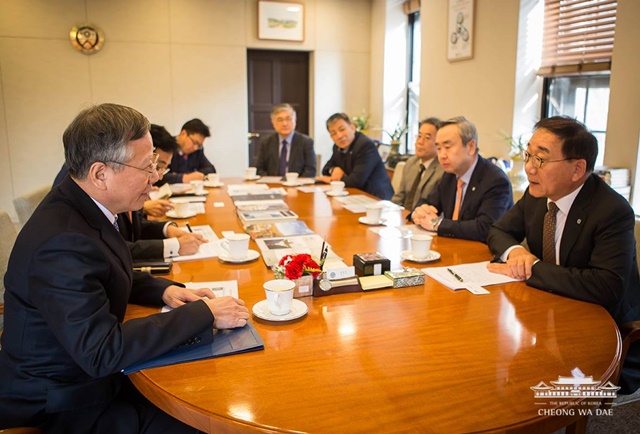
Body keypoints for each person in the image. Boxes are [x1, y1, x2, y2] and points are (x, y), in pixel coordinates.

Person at [0, 103, 250, 433]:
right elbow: (101, 351)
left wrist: (166, 289)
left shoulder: (84, 205)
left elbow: (106, 270)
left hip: (84, 375)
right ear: (100, 173)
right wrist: (206, 313)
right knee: (206, 419)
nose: (157, 177)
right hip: (65, 401)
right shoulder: (61, 242)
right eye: (148, 167)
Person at [486, 116, 640, 395]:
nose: (529, 167)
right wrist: (516, 251)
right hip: (549, 313)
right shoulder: (536, 196)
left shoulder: (611, 211)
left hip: (600, 329)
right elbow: (498, 231)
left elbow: (606, 286)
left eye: (541, 159)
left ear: (577, 169)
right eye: (528, 155)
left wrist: (532, 267)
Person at [411, 116, 513, 243]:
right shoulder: (450, 175)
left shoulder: (495, 180)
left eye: (447, 147)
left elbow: (485, 228)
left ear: (470, 147)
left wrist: (437, 224)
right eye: (438, 148)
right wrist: (420, 211)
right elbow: (427, 202)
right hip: (453, 248)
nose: (442, 155)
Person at [318, 113, 394, 200]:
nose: (339, 136)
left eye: (342, 129)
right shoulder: (337, 147)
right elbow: (325, 169)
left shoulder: (365, 145)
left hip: (376, 199)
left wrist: (331, 180)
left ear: (352, 128)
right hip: (353, 196)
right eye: (333, 133)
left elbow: (355, 182)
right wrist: (334, 169)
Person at [391, 117, 445, 211]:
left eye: (427, 138)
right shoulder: (411, 163)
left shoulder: (443, 170)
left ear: (439, 143)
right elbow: (399, 197)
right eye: (419, 136)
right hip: (402, 218)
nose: (420, 142)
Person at [255, 103, 316, 178]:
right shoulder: (266, 142)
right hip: (272, 185)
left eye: (288, 119)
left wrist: (295, 182)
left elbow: (310, 170)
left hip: (297, 185)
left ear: (295, 121)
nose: (285, 123)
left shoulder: (306, 142)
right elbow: (260, 169)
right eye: (280, 120)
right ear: (273, 123)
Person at [162, 118, 215, 184]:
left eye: (199, 145)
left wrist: (192, 175)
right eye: (194, 142)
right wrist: (183, 177)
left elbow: (211, 169)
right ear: (183, 133)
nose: (195, 148)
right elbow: (159, 176)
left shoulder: (198, 151)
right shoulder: (166, 146)